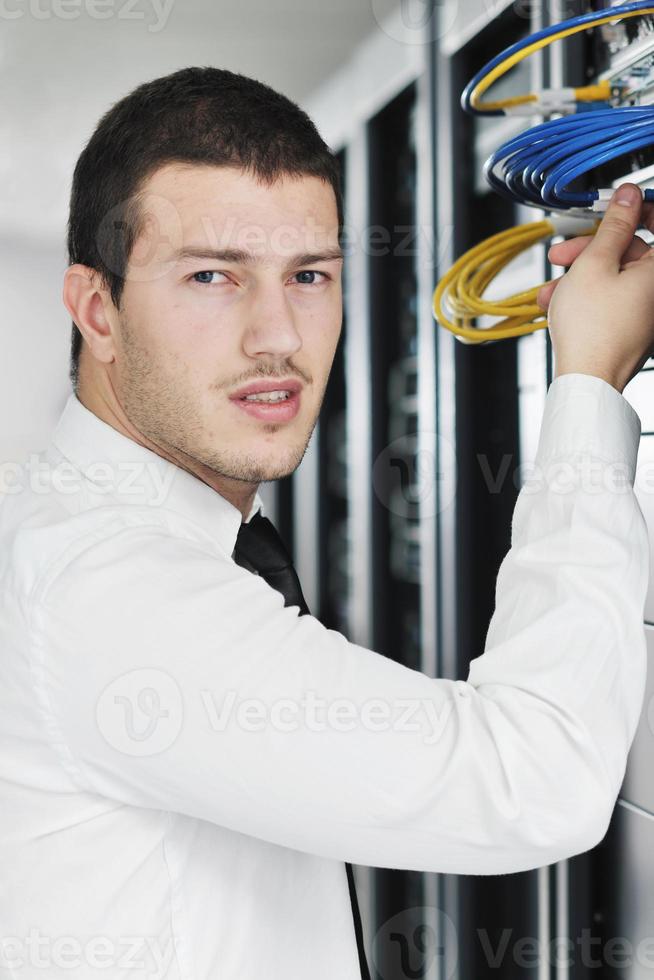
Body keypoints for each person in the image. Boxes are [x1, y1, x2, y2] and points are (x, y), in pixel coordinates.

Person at [1, 65, 653, 980]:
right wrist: (589, 388)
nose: (277, 334)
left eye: (308, 275)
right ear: (97, 310)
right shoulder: (107, 586)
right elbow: (531, 783)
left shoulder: (85, 533)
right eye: (212, 275)